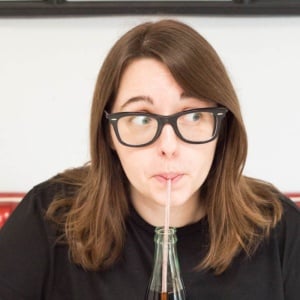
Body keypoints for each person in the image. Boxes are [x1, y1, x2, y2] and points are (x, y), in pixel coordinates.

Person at [0, 19, 299, 300]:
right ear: (109, 134)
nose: (168, 146)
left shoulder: (280, 230)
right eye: (141, 118)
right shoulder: (48, 218)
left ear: (222, 128)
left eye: (193, 115)